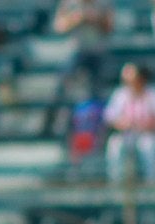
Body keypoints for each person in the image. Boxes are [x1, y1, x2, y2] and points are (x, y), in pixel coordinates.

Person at [45, 0, 113, 136]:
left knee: (97, 91)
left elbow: (109, 28)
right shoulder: (70, 3)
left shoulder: (103, 3)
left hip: (96, 51)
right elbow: (59, 26)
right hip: (76, 50)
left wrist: (95, 20)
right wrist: (76, 19)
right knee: (62, 85)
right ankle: (50, 124)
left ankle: (100, 129)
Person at [102, 63, 155, 184]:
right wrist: (122, 123)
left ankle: (152, 183)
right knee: (115, 145)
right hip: (126, 134)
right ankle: (116, 183)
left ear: (141, 79)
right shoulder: (120, 94)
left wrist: (149, 124)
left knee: (149, 147)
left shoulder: (153, 94)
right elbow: (109, 117)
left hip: (147, 134)